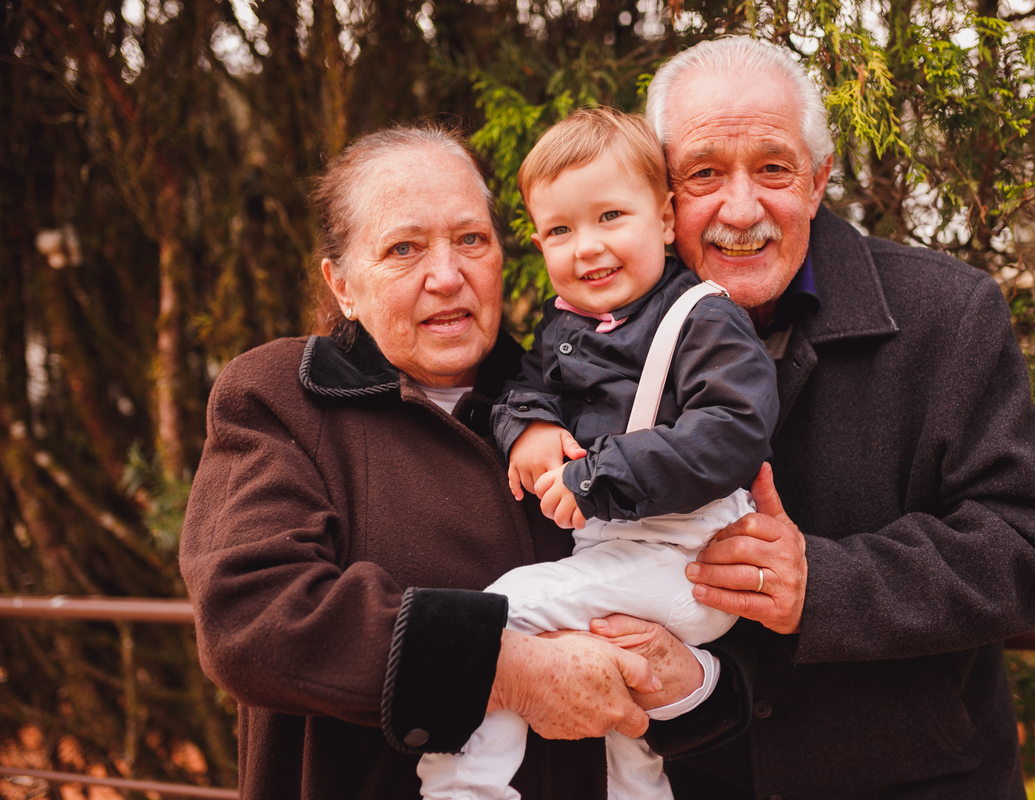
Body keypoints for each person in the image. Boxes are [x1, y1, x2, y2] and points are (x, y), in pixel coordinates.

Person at [178, 124, 719, 800]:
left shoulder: (581, 388)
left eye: (471, 240)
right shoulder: (283, 396)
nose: (446, 275)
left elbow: (667, 592)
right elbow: (253, 617)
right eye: (404, 249)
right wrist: (507, 669)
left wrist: (693, 685)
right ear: (342, 284)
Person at [628, 36, 1035, 799]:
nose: (740, 209)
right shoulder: (613, 333)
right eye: (704, 173)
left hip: (919, 781)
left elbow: (1034, 548)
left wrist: (826, 586)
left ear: (816, 181)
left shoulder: (946, 313)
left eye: (773, 168)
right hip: (691, 777)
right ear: (665, 196)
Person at [416, 108, 777, 800]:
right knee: (625, 732)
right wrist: (527, 429)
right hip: (623, 556)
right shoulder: (566, 327)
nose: (587, 248)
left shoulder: (703, 316)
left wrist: (595, 476)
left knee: (504, 609)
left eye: (611, 216)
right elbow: (518, 389)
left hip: (689, 558)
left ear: (667, 220)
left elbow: (733, 429)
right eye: (560, 230)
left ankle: (466, 786)